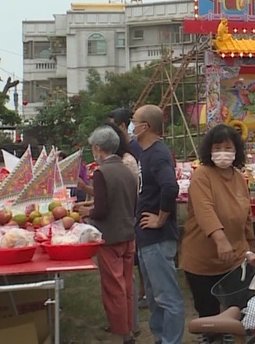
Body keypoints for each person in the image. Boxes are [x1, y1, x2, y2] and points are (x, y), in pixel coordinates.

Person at [180, 124, 255, 325]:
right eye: (217, 148)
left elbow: (246, 214)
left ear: (236, 151)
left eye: (228, 148)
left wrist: (251, 245)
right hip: (203, 259)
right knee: (209, 315)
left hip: (235, 258)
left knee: (239, 309)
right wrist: (220, 240)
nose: (223, 153)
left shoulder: (239, 178)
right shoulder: (202, 175)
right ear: (209, 151)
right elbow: (205, 210)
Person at [78, 126, 138, 344]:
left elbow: (102, 210)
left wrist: (87, 212)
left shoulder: (102, 173)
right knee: (127, 286)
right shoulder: (128, 170)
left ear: (97, 148)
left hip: (110, 237)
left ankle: (121, 333)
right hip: (128, 234)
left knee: (114, 289)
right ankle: (129, 329)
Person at [132, 104, 184, 344]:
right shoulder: (145, 152)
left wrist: (161, 218)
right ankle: (161, 338)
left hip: (158, 238)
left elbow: (170, 186)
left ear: (146, 126)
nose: (132, 126)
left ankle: (170, 340)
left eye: (135, 122)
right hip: (146, 238)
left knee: (167, 297)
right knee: (154, 297)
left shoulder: (158, 153)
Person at [107, 108, 148, 309]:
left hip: (135, 207)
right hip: (131, 208)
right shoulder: (128, 148)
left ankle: (144, 292)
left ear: (122, 126)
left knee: (138, 254)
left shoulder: (132, 150)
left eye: (114, 125)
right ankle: (140, 293)